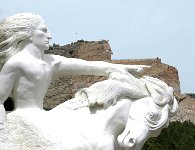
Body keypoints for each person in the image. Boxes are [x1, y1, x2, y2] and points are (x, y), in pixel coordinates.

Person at [0, 13, 148, 129]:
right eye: (44, 31)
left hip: (43, 117)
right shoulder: (16, 63)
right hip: (23, 121)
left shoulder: (51, 61)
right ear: (28, 34)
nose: (49, 36)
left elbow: (88, 66)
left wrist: (123, 68)